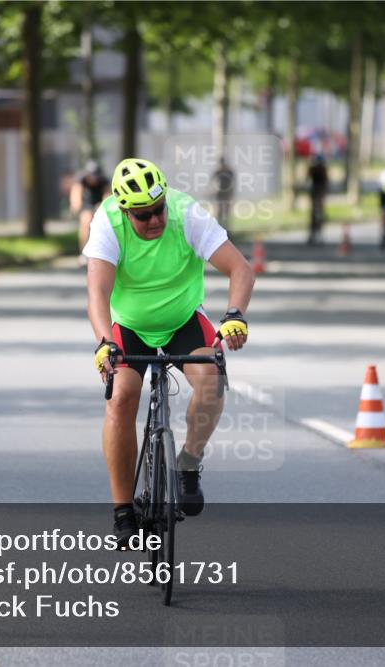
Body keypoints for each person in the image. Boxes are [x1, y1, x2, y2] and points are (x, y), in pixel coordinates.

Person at [83, 158, 255, 547]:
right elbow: (97, 293)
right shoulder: (107, 221)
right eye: (143, 216)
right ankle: (123, 509)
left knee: (211, 381)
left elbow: (241, 269)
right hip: (129, 325)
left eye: (158, 209)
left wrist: (234, 315)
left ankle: (189, 464)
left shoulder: (185, 213)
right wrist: (103, 341)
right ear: (126, 211)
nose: (155, 220)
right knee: (121, 398)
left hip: (182, 319)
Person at [71, 160, 110, 253]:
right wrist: (76, 204)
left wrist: (104, 206)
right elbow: (76, 193)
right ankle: (83, 251)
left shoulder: (104, 180)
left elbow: (107, 195)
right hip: (86, 203)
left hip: (99, 204)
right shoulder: (82, 179)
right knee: (86, 221)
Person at [307, 155, 329, 245]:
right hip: (317, 193)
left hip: (317, 193)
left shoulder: (314, 169)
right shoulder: (321, 169)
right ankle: (316, 234)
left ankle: (316, 234)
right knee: (317, 214)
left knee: (316, 215)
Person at [211, 158, 236, 228]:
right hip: (222, 193)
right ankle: (220, 225)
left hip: (226, 193)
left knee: (226, 211)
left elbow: (232, 183)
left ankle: (226, 226)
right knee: (221, 211)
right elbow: (213, 181)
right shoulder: (220, 171)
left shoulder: (228, 171)